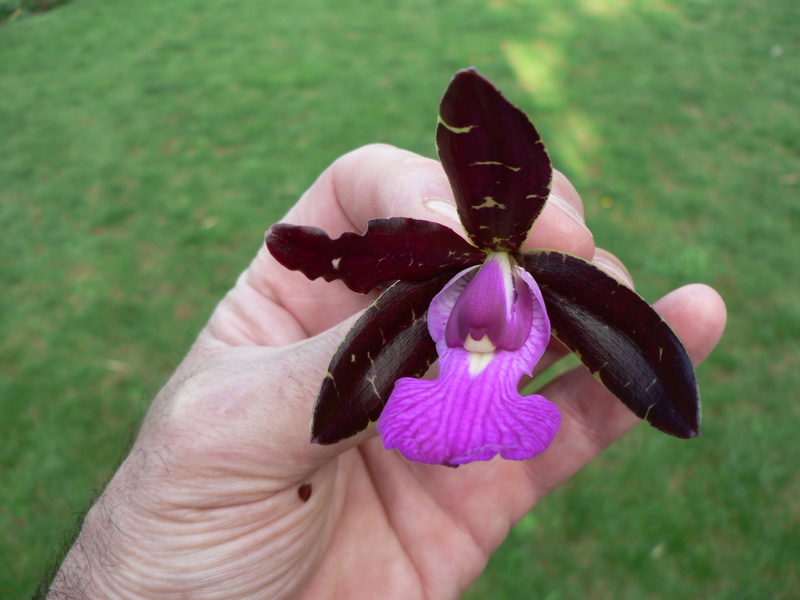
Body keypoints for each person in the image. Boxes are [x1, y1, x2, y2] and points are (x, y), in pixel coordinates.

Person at [42, 144, 727, 599]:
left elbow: (653, 372)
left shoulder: (565, 292)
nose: (481, 335)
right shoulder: (427, 302)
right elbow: (338, 380)